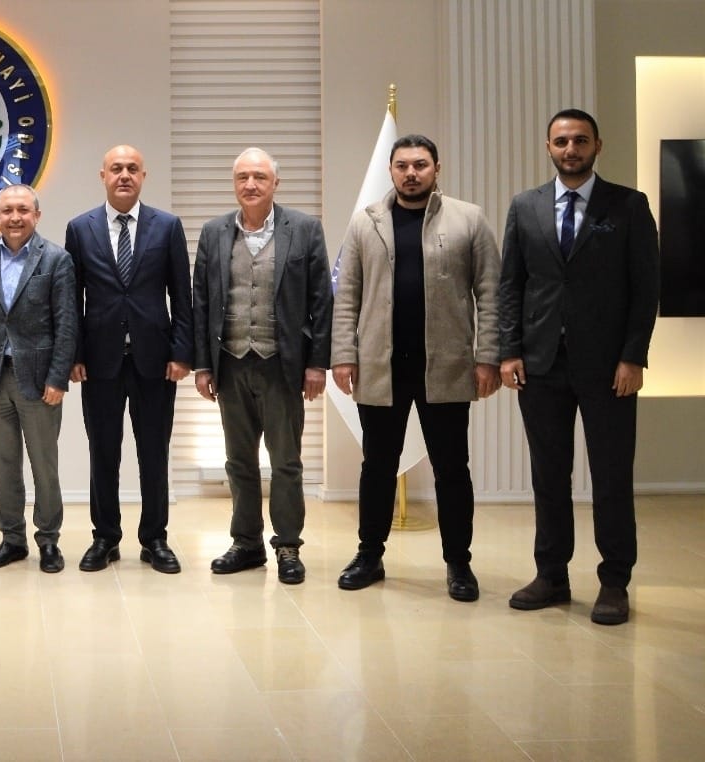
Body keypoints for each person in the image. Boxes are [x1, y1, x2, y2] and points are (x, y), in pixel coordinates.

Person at [500, 109, 659, 625]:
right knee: (549, 475)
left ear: (597, 146)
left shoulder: (629, 205)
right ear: (548, 147)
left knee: (611, 476)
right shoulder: (525, 206)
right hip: (541, 364)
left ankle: (614, 581)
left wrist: (633, 356)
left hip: (609, 367)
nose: (571, 149)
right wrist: (509, 350)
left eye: (581, 140)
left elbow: (646, 288)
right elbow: (511, 285)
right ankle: (551, 575)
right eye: (562, 141)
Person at [332, 134, 501, 601]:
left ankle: (459, 563)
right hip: (380, 366)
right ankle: (369, 554)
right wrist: (343, 354)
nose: (411, 173)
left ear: (436, 169)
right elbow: (346, 296)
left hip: (445, 366)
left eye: (420, 165)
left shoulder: (469, 219)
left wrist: (487, 356)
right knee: (377, 467)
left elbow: (491, 293)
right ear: (391, 170)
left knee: (452, 469)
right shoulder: (366, 222)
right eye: (402, 165)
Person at [193, 148, 331, 585]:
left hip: (282, 366)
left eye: (259, 177)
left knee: (286, 461)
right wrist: (202, 365)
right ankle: (247, 543)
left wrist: (317, 364)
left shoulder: (304, 229)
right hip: (230, 364)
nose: (250, 184)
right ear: (234, 183)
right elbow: (201, 303)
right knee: (238, 461)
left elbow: (321, 301)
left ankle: (288, 546)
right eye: (242, 177)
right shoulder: (214, 232)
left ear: (275, 183)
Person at [64, 144, 193, 574]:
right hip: (99, 362)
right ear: (102, 175)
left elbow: (182, 295)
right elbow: (71, 299)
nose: (124, 175)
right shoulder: (80, 228)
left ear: (143, 176)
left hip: (155, 361)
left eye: (132, 168)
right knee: (103, 452)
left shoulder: (167, 226)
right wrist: (74, 355)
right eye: (116, 168)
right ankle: (105, 537)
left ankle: (155, 538)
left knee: (153, 452)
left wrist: (182, 352)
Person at [0, 184, 77, 573]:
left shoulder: (56, 259)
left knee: (44, 466)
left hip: (40, 380)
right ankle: (12, 539)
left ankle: (48, 540)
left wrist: (58, 377)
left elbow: (67, 323)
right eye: (7, 211)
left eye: (23, 210)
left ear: (36, 215)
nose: (15, 217)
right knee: (4, 464)